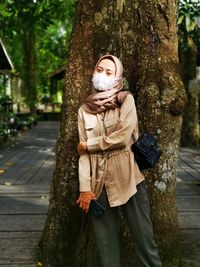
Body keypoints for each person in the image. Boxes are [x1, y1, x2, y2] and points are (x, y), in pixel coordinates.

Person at [76, 54, 162, 267]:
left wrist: (90, 145)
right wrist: (84, 188)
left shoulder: (126, 100)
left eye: (108, 72)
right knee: (107, 250)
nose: (102, 75)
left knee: (145, 243)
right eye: (99, 70)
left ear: (117, 79)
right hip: (98, 186)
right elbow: (83, 155)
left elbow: (123, 138)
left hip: (129, 180)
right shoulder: (84, 110)